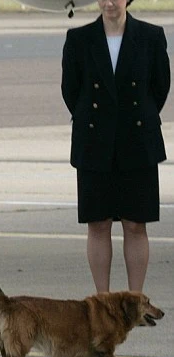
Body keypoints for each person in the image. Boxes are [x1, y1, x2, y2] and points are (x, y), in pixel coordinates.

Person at [61, 0, 170, 293]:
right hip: (95, 143)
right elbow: (71, 91)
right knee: (98, 224)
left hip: (137, 142)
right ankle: (102, 300)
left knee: (136, 225)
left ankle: (135, 300)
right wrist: (98, 120)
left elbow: (159, 87)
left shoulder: (151, 36)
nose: (109, 2)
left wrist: (136, 118)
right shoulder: (78, 39)